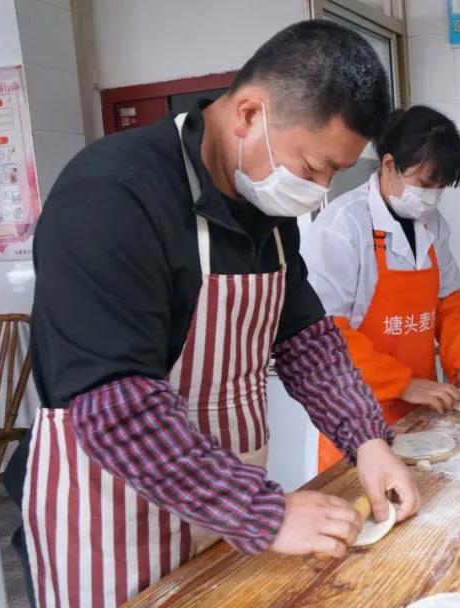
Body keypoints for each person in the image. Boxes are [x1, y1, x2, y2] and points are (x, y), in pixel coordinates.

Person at [24, 21, 418, 607]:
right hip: (115, 520)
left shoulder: (263, 201)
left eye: (334, 172)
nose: (319, 189)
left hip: (222, 510)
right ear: (250, 116)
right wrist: (260, 510)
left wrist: (366, 440)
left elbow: (307, 341)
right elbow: (117, 403)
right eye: (312, 168)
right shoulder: (112, 194)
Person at [302, 105, 460, 470]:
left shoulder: (432, 225)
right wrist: (401, 383)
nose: (431, 196)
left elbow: (450, 304)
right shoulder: (343, 227)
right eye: (425, 184)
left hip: (422, 411)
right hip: (357, 417)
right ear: (388, 166)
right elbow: (325, 336)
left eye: (440, 188)